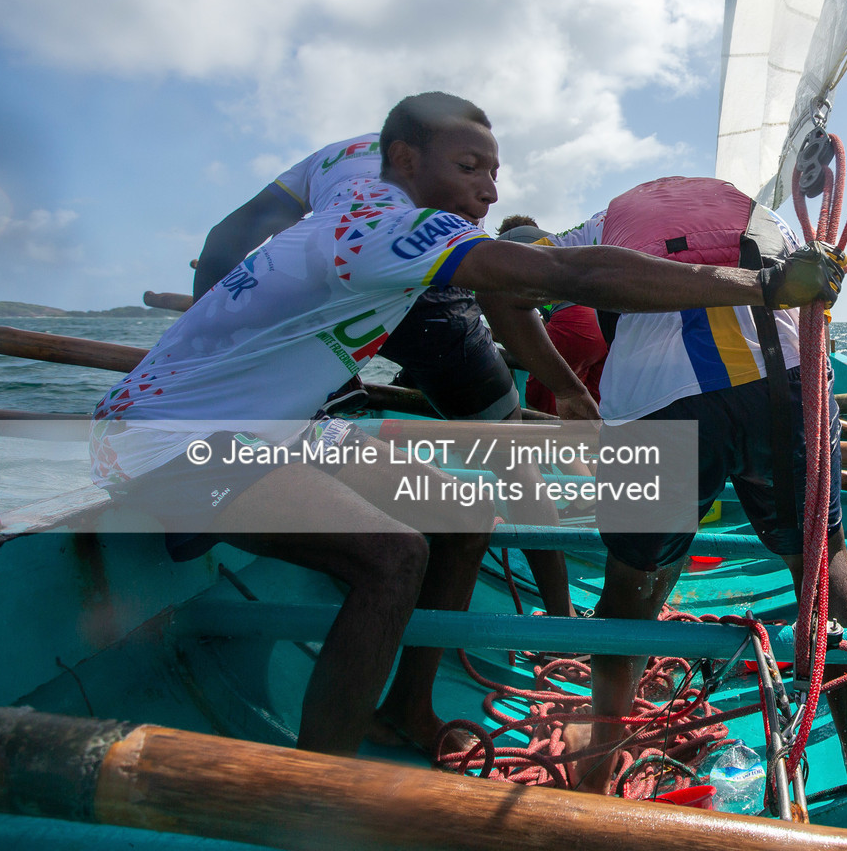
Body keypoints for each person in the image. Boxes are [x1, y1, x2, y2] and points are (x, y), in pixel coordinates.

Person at [91, 94, 845, 758]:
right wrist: (764, 282)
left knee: (466, 514)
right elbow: (566, 277)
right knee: (393, 558)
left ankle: (407, 709)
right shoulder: (397, 234)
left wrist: (218, 315)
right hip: (166, 437)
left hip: (273, 430)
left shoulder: (348, 172)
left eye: (492, 170)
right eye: (467, 169)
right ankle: (314, 786)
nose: (486, 191)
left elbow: (238, 229)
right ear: (404, 158)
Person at [534, 176, 847, 796]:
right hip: (782, 380)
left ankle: (597, 766)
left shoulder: (602, 224)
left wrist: (568, 389)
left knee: (630, 575)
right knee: (820, 557)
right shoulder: (763, 214)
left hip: (651, 399)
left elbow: (519, 269)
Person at [192, 131, 598, 621]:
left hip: (329, 285)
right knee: (511, 456)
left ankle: (333, 430)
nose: (489, 191)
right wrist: (567, 388)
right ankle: (560, 614)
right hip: (432, 305)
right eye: (478, 170)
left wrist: (208, 328)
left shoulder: (335, 156)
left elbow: (223, 242)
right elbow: (502, 293)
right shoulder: (436, 208)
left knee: (326, 412)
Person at [494, 215, 608, 415]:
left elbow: (500, 305)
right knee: (591, 407)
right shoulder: (556, 242)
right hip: (603, 322)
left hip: (574, 320)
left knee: (541, 397)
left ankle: (545, 445)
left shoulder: (507, 244)